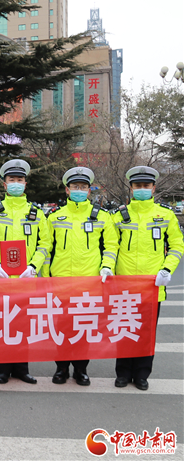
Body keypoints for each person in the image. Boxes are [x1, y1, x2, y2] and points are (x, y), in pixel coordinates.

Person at [43, 167, 119, 386]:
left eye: (83, 187)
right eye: (75, 186)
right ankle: (61, 368)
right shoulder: (55, 216)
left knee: (84, 327)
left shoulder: (102, 216)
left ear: (89, 190)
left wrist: (107, 267)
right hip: (61, 282)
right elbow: (47, 248)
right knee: (61, 328)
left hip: (89, 282)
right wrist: (46, 278)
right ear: (67, 190)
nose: (79, 190)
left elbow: (111, 245)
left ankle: (81, 369)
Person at [0, 159, 50, 385]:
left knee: (23, 326)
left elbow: (45, 243)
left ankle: (22, 369)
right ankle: (3, 370)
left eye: (20, 180)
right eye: (12, 180)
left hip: (26, 279)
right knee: (1, 325)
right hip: (1, 279)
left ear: (25, 184)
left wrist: (34, 266)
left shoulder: (36, 213)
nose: (16, 183)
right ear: (4, 184)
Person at [111, 166, 183, 391]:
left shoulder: (165, 215)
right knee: (124, 329)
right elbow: (111, 247)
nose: (141, 189)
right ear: (131, 188)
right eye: (137, 186)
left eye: (146, 185)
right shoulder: (119, 215)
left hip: (152, 284)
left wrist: (167, 270)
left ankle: (142, 374)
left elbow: (177, 246)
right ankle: (123, 373)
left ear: (153, 188)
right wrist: (108, 270)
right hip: (124, 284)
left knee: (146, 332)